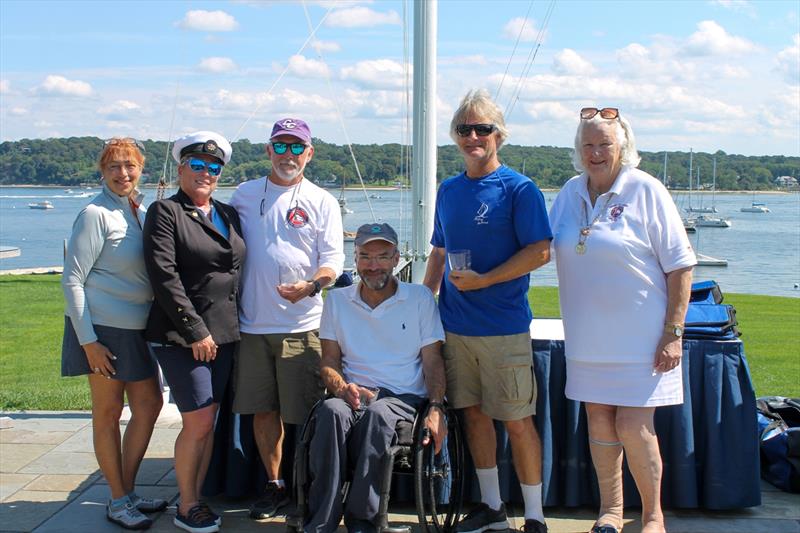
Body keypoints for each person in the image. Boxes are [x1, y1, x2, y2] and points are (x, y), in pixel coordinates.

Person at [548, 107, 695, 533]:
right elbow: (540, 246)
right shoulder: (569, 193)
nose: (595, 153)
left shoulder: (646, 190)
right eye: (588, 145)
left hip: (642, 338)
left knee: (633, 425)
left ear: (623, 147)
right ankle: (610, 512)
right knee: (598, 418)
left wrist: (673, 332)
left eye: (604, 144)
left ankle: (652, 516)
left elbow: (681, 266)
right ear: (579, 150)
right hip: (587, 338)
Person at [423, 89, 552, 533]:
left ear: (500, 135)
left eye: (483, 128)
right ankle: (492, 508)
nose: (473, 136)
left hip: (504, 328)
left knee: (517, 422)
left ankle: (533, 516)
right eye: (465, 129)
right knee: (474, 417)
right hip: (456, 329)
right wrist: (424, 303)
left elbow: (540, 252)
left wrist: (485, 280)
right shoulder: (449, 189)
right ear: (455, 137)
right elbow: (438, 252)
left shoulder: (519, 189)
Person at [228, 118, 344, 519]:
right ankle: (274, 485)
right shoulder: (243, 195)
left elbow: (333, 261)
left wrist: (312, 286)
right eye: (281, 146)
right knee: (264, 412)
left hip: (303, 327)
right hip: (251, 327)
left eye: (297, 148)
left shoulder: (322, 201)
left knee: (306, 415)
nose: (288, 155)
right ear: (268, 150)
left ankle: (306, 490)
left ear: (309, 154)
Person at [306, 223, 447, 533]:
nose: (373, 265)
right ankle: (321, 521)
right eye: (365, 257)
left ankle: (364, 521)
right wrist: (342, 388)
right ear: (354, 260)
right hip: (352, 397)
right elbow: (328, 362)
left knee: (379, 413)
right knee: (330, 411)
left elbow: (433, 360)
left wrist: (436, 407)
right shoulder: (338, 300)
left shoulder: (420, 298)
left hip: (402, 399)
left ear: (396, 258)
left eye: (382, 256)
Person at [143, 131, 246, 533]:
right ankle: (187, 506)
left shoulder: (227, 212)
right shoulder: (165, 212)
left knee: (209, 418)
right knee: (199, 421)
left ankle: (196, 495)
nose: (206, 173)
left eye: (214, 167)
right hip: (182, 336)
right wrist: (195, 332)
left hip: (226, 334)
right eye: (198, 165)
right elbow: (164, 276)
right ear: (182, 168)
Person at [61, 137, 165, 530]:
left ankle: (128, 489)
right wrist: (88, 341)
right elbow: (72, 281)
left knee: (149, 406)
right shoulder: (95, 213)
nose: (123, 174)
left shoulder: (137, 209)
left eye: (130, 166)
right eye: (114, 167)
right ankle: (118, 498)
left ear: (141, 169)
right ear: (102, 172)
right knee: (108, 413)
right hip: (102, 329)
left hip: (138, 327)